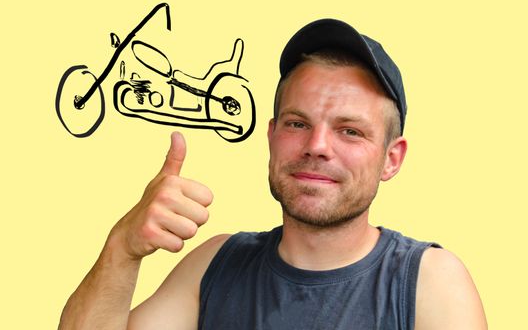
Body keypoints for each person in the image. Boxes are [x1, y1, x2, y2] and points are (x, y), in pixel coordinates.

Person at [58, 19, 487, 329]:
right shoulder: (213, 266)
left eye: (350, 131)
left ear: (391, 159)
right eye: (297, 124)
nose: (316, 146)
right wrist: (123, 248)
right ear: (271, 136)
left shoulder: (431, 282)